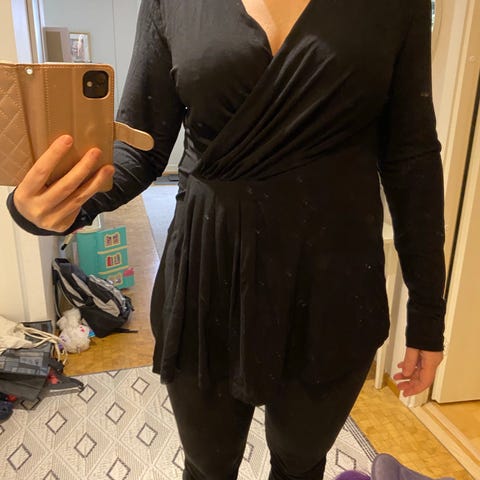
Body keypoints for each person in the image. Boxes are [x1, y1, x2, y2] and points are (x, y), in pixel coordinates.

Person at [6, 0, 446, 478]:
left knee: (301, 462)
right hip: (208, 275)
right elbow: (141, 149)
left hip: (332, 285)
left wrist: (427, 313)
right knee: (208, 465)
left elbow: (412, 159)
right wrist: (59, 208)